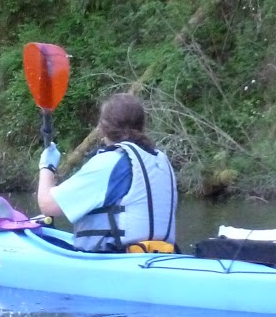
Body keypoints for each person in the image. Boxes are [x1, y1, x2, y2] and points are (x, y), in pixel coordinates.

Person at [35, 92, 178, 252]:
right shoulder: (160, 160)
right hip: (158, 257)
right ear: (141, 126)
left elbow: (48, 205)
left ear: (103, 128)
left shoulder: (110, 162)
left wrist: (47, 167)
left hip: (116, 259)